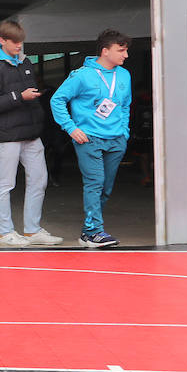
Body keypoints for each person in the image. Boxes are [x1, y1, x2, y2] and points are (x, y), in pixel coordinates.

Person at [0, 20, 63, 246]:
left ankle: (32, 230)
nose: (19, 46)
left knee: (39, 180)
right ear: (2, 41)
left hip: (31, 133)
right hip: (6, 136)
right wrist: (20, 96)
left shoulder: (25, 63)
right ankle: (6, 233)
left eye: (21, 41)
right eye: (14, 42)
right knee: (5, 184)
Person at [50, 29, 132, 249]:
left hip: (116, 139)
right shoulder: (82, 75)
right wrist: (71, 128)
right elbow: (57, 100)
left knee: (106, 187)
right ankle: (94, 232)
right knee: (95, 183)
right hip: (89, 139)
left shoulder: (124, 75)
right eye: (121, 50)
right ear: (105, 51)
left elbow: (125, 106)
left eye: (126, 51)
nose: (125, 55)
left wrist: (124, 131)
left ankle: (89, 231)